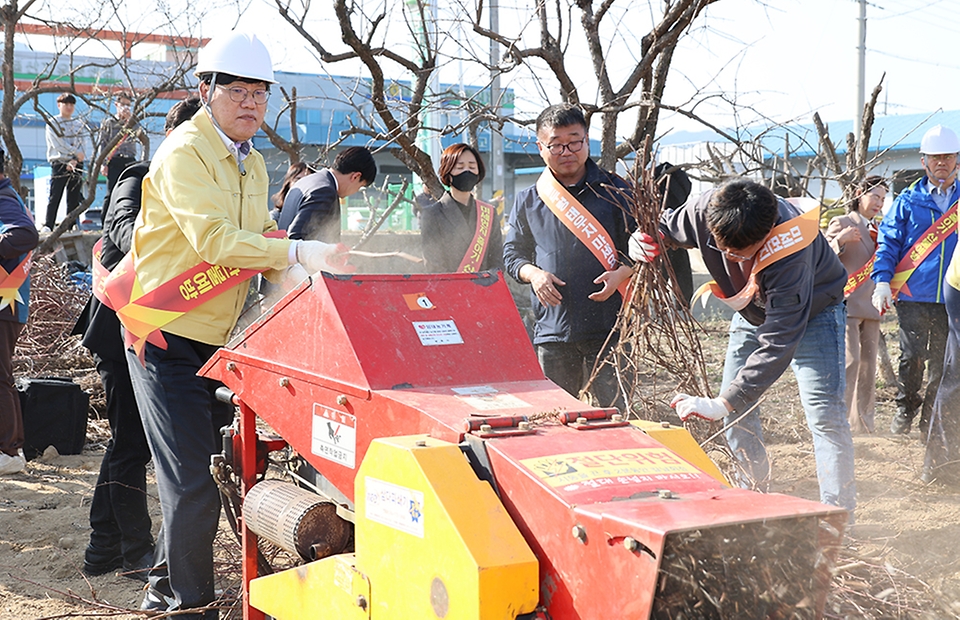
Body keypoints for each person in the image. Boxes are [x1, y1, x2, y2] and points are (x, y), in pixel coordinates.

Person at [116, 32, 345, 617]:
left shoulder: (253, 164)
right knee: (192, 479)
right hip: (164, 336)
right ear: (206, 91)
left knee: (212, 473)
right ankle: (186, 604)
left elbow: (258, 244)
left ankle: (164, 584)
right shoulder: (183, 153)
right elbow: (216, 243)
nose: (249, 103)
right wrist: (295, 253)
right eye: (236, 90)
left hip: (219, 341)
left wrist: (310, 276)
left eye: (259, 94)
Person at [633, 179, 856, 513]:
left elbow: (779, 338)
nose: (729, 259)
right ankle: (752, 498)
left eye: (739, 253)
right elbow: (666, 225)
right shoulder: (706, 209)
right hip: (750, 308)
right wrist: (646, 239)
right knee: (736, 414)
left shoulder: (790, 252)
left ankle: (838, 517)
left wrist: (723, 402)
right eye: (722, 249)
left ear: (766, 235)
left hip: (814, 313)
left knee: (825, 416)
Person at [76, 96, 202, 582]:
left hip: (170, 329)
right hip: (127, 328)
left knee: (130, 444)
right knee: (131, 443)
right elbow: (122, 230)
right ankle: (132, 550)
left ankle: (103, 546)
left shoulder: (212, 184)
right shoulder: (141, 176)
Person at [503, 103, 634, 407]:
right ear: (541, 147)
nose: (566, 151)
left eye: (574, 141)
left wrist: (622, 273)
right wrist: (534, 275)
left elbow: (642, 245)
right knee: (556, 419)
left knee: (618, 417)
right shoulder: (530, 199)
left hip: (610, 329)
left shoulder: (616, 190)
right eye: (556, 145)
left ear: (587, 141)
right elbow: (512, 254)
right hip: (553, 330)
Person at [872, 125, 960, 438]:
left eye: (948, 157)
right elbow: (889, 244)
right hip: (912, 294)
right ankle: (905, 407)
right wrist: (882, 281)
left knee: (943, 363)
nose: (942, 163)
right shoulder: (907, 201)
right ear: (923, 161)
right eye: (935, 157)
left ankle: (929, 421)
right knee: (912, 357)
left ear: (957, 161)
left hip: (953, 298)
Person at [825, 176, 887, 433]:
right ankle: (840, 421)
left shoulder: (881, 228)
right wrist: (840, 240)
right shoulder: (842, 222)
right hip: (848, 305)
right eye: (875, 196)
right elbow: (822, 255)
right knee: (850, 362)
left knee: (868, 366)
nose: (879, 203)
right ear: (859, 193)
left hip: (872, 306)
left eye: (883, 199)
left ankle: (864, 422)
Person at [0, 147, 39, 475]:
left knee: (0, 376)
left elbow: (27, 234)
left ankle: (9, 450)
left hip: (5, 302)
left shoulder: (4, 198)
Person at [421, 143, 502, 273]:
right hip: (448, 290)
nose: (467, 171)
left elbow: (497, 260)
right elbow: (433, 264)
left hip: (485, 290)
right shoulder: (432, 214)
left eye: (472, 167)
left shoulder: (489, 213)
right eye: (460, 167)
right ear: (448, 172)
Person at [277, 146, 377, 242]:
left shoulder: (307, 181)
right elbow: (296, 237)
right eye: (360, 186)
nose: (355, 191)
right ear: (355, 177)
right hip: (297, 258)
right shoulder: (324, 191)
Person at [98, 92, 148, 220]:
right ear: (116, 105)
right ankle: (105, 222)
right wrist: (103, 164)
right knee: (111, 192)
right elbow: (102, 144)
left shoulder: (134, 123)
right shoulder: (109, 123)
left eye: (128, 105)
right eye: (123, 104)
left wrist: (132, 121)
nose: (125, 108)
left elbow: (144, 139)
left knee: (132, 191)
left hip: (130, 160)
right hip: (114, 160)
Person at [43, 93, 86, 232]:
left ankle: (72, 224)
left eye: (71, 104)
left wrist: (74, 160)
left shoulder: (78, 124)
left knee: (73, 196)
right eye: (66, 104)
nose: (69, 107)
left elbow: (82, 145)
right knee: (55, 195)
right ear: (59, 105)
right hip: (59, 161)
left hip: (76, 163)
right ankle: (48, 225)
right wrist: (71, 156)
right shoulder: (52, 123)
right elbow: (58, 144)